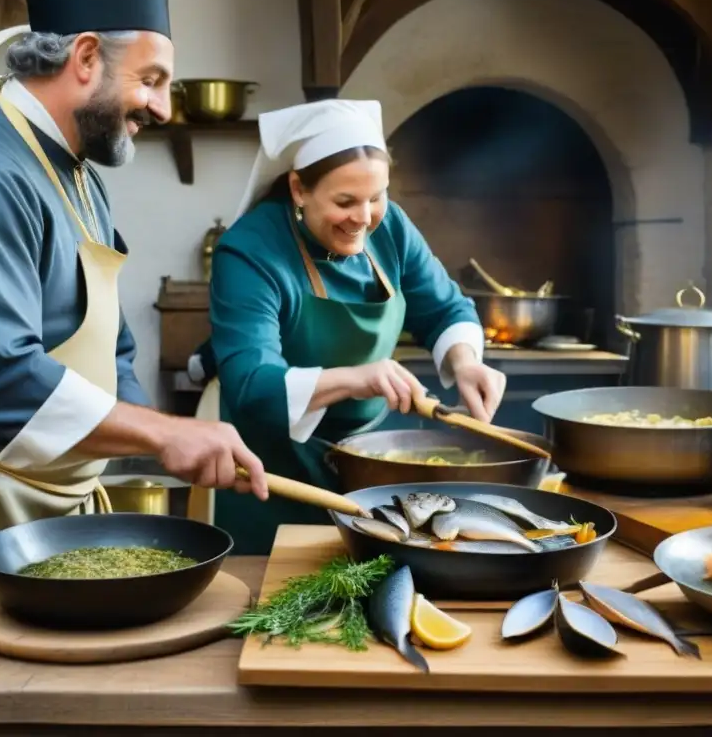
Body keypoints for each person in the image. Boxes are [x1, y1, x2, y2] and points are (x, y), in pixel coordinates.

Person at [0, 0, 267, 671]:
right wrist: (164, 433)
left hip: (46, 507)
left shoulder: (78, 174)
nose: (163, 107)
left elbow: (115, 348)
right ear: (82, 58)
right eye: (153, 79)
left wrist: (171, 442)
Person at [205, 98, 507, 555]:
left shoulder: (391, 229)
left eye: (376, 197)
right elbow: (250, 383)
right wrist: (356, 378)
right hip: (276, 472)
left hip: (373, 464)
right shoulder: (249, 251)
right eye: (345, 201)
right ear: (298, 189)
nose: (364, 218)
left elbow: (445, 308)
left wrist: (465, 363)